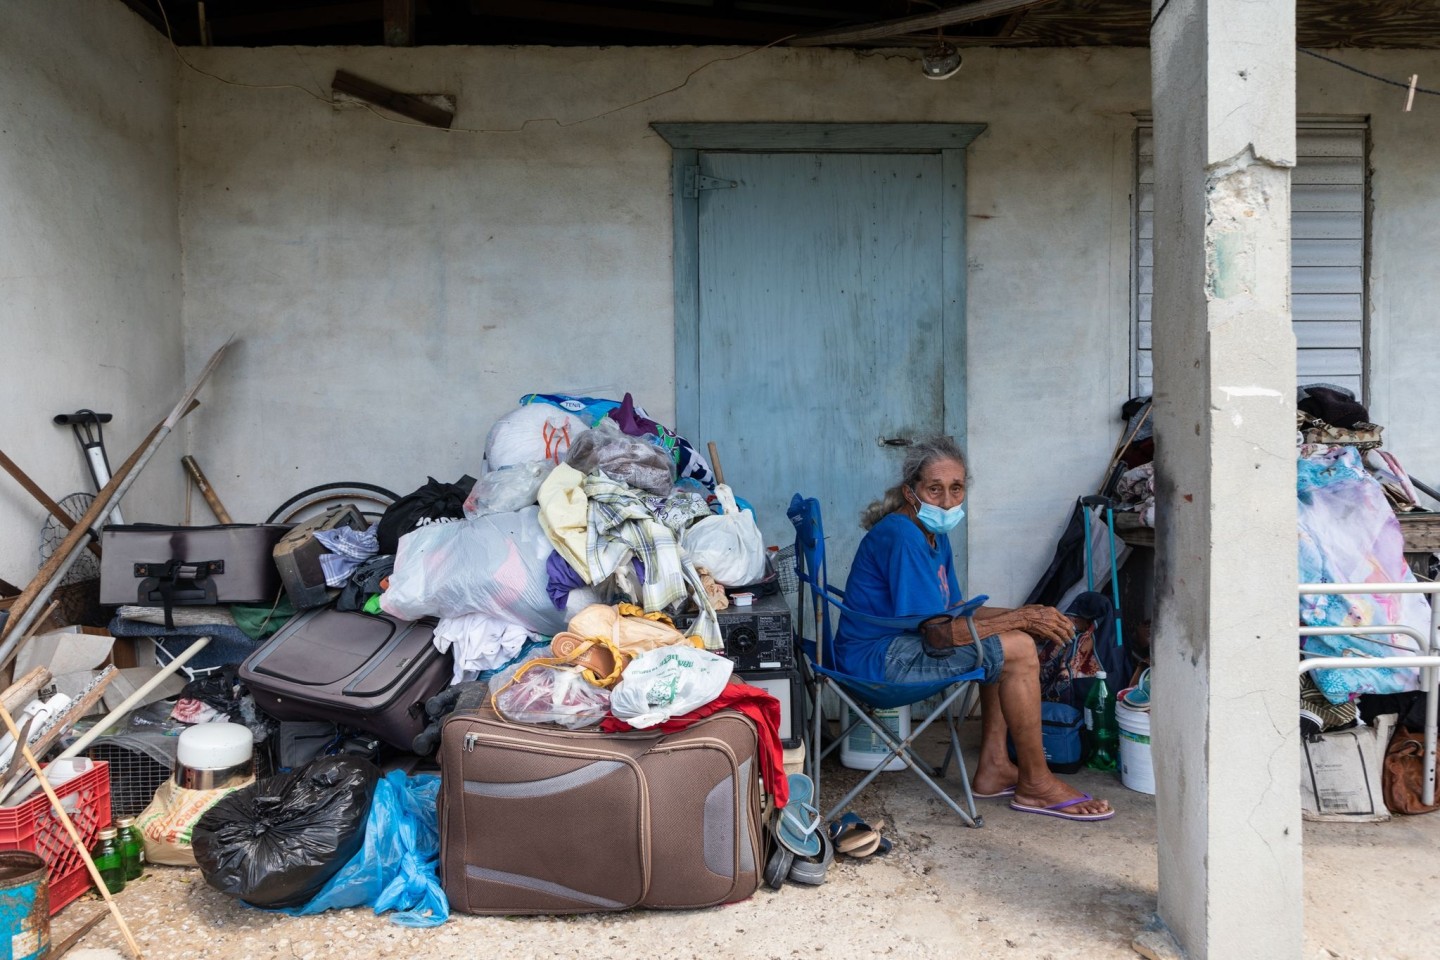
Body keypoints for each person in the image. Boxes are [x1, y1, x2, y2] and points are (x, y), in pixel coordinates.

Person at [833, 435, 1114, 822]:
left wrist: (1032, 614)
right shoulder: (902, 536)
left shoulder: (933, 534)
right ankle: (1036, 783)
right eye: (935, 489)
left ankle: (995, 766)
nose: (947, 501)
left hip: (895, 647)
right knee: (1014, 646)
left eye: (956, 489)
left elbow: (951, 611)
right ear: (910, 492)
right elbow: (938, 633)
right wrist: (1018, 621)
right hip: (877, 664)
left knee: (1011, 637)